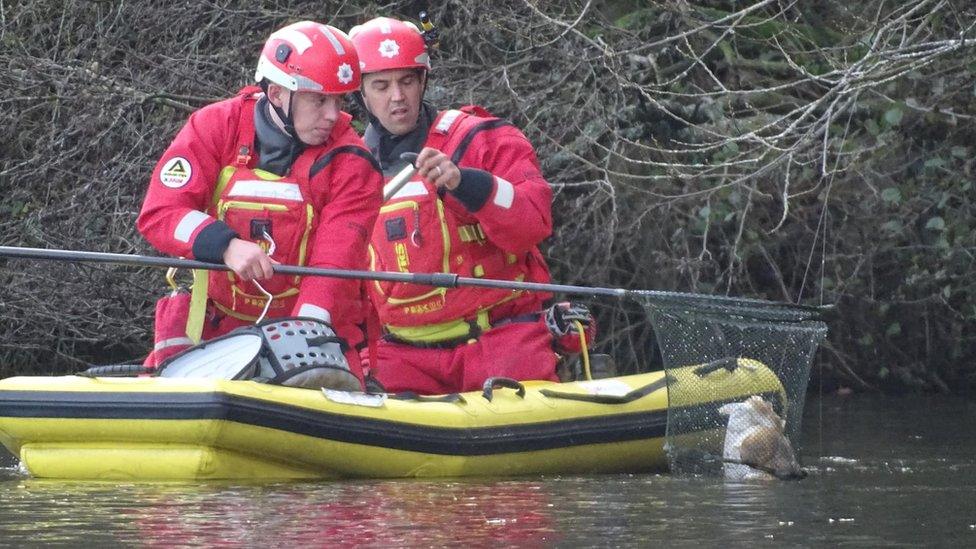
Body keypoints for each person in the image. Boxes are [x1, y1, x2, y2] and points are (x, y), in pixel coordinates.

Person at [348, 16, 593, 394]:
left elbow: (534, 221)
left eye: (407, 81)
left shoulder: (482, 139)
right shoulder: (348, 167)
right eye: (381, 85)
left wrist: (467, 184)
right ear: (361, 94)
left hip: (499, 339)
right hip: (402, 354)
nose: (397, 97)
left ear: (423, 81)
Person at [137, 21, 383, 385]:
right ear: (278, 93)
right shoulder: (215, 126)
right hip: (216, 327)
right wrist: (225, 246)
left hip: (309, 328)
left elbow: (333, 267)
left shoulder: (352, 162)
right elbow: (161, 213)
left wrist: (302, 345)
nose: (333, 115)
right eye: (319, 99)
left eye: (340, 99)